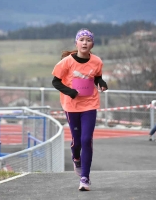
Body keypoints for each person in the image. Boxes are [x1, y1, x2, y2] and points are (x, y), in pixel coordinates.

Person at [51, 28, 108, 191]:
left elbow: (97, 76)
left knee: (86, 140)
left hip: (90, 104)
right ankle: (76, 157)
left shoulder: (97, 61)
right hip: (72, 105)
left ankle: (85, 178)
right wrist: (70, 92)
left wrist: (102, 84)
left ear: (92, 44)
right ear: (76, 43)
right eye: (82, 40)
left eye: (88, 40)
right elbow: (55, 82)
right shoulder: (67, 62)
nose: (85, 42)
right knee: (77, 142)